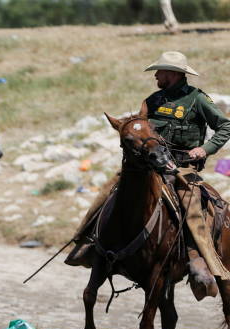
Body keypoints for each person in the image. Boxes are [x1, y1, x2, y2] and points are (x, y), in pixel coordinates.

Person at [66, 51, 230, 301]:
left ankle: (199, 259)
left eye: (160, 72)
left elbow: (225, 126)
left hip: (182, 167)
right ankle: (86, 243)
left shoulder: (197, 100)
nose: (156, 75)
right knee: (109, 194)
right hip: (149, 165)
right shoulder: (152, 100)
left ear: (173, 74)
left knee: (191, 202)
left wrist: (204, 149)